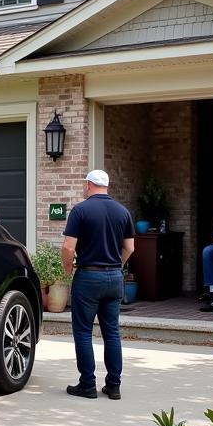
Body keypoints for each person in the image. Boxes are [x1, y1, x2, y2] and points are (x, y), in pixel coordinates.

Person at [61, 169, 135, 400]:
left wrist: (67, 269)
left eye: (85, 185)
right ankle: (113, 385)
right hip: (114, 277)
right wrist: (117, 266)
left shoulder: (81, 210)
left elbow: (68, 247)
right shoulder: (123, 212)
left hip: (88, 276)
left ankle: (87, 384)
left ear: (89, 184)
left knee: (83, 332)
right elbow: (130, 248)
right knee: (112, 332)